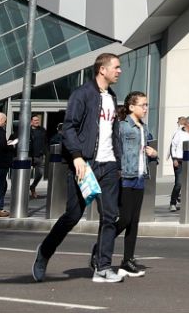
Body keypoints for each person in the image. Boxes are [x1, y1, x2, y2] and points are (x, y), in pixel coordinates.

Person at [34, 52, 125, 285]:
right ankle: (44, 252)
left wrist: (118, 161)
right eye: (116, 67)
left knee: (110, 217)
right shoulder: (82, 94)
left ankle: (103, 267)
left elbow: (112, 132)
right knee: (73, 215)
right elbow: (69, 127)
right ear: (102, 69)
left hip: (109, 164)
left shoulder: (112, 97)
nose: (119, 71)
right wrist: (76, 157)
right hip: (85, 164)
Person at [113, 91, 157, 278]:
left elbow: (147, 150)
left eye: (147, 105)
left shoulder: (144, 128)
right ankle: (101, 247)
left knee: (134, 222)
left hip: (139, 177)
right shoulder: (123, 127)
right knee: (124, 219)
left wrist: (154, 154)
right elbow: (116, 150)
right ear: (132, 107)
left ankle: (127, 260)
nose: (146, 108)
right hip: (125, 177)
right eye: (143, 105)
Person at [26, 114, 50, 197]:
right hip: (29, 156)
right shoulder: (27, 131)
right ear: (31, 121)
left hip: (39, 156)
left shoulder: (42, 130)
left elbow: (46, 142)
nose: (37, 122)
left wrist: (46, 152)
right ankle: (25, 191)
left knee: (40, 174)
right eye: (35, 120)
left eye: (38, 120)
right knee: (26, 175)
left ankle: (33, 187)